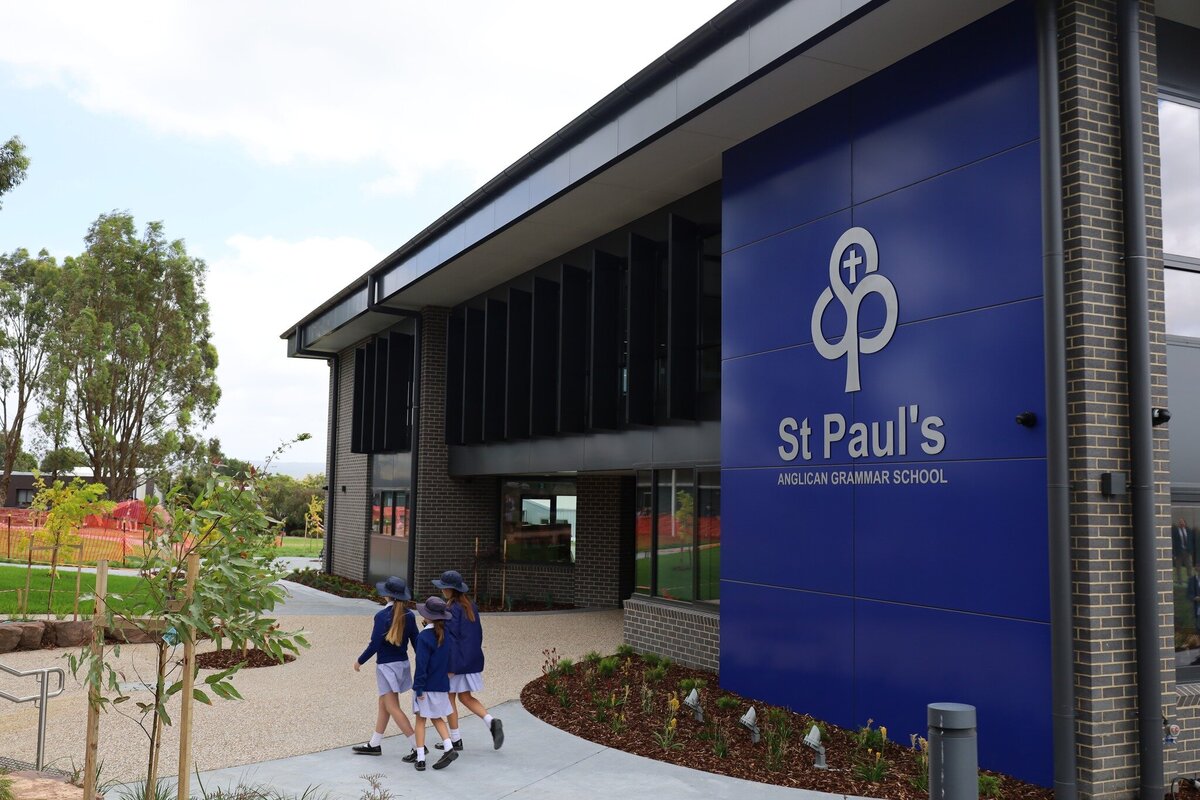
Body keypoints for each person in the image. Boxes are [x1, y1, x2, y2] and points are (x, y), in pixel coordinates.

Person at [433, 569, 504, 751]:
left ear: (450, 589)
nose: (441, 591)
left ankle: (455, 740)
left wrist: (449, 666)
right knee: (466, 697)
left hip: (456, 662)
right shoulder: (470, 606)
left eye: (443, 588)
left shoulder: (451, 608)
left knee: (450, 698)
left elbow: (451, 638)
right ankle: (490, 721)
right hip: (471, 659)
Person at [352, 576, 420, 762]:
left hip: (386, 667)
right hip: (402, 665)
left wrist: (360, 661)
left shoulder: (381, 617)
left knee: (392, 706)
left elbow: (375, 644)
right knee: (383, 704)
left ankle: (417, 746)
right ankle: (375, 743)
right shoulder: (410, 615)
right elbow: (417, 643)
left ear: (387, 596)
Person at [412, 595, 458, 771]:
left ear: (427, 616)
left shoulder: (424, 637)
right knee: (437, 717)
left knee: (420, 719)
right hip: (442, 685)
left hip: (426, 686)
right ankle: (448, 747)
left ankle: (421, 758)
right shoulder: (445, 635)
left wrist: (418, 688)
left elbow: (421, 665)